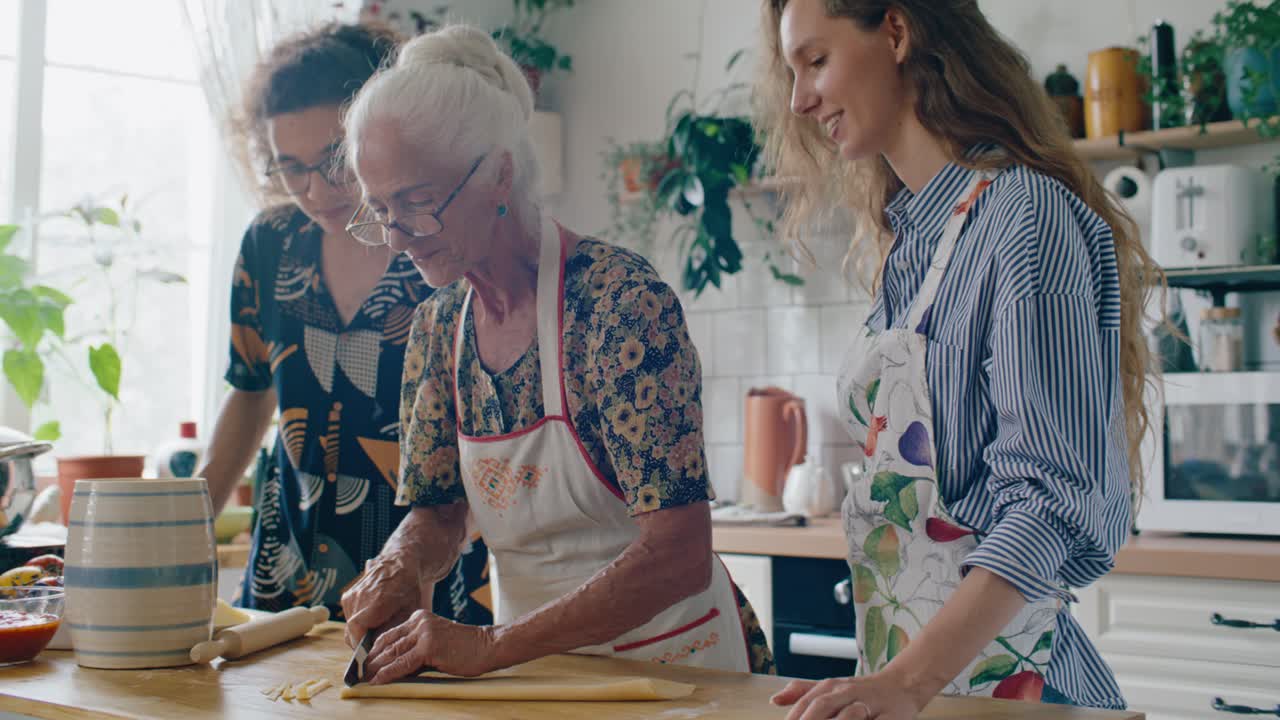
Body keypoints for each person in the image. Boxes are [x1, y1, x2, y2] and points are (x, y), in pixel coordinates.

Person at [754, 0, 1160, 716]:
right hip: (926, 689)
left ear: (898, 31)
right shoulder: (911, 245)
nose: (799, 99)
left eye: (816, 61)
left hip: (1012, 688)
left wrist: (906, 681)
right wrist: (888, 682)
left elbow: (1048, 502)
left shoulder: (1025, 221)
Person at [337, 24, 774, 683]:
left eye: (417, 205)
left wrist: (487, 647)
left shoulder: (618, 307)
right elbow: (439, 511)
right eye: (379, 211)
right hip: (537, 673)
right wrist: (402, 563)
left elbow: (679, 554)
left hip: (675, 670)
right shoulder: (437, 329)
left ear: (499, 174)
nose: (395, 240)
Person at [198, 21, 490, 625]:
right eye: (289, 167)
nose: (313, 189)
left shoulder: (439, 246)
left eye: (334, 160)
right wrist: (186, 522)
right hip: (289, 558)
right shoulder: (270, 244)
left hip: (425, 561)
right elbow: (250, 393)